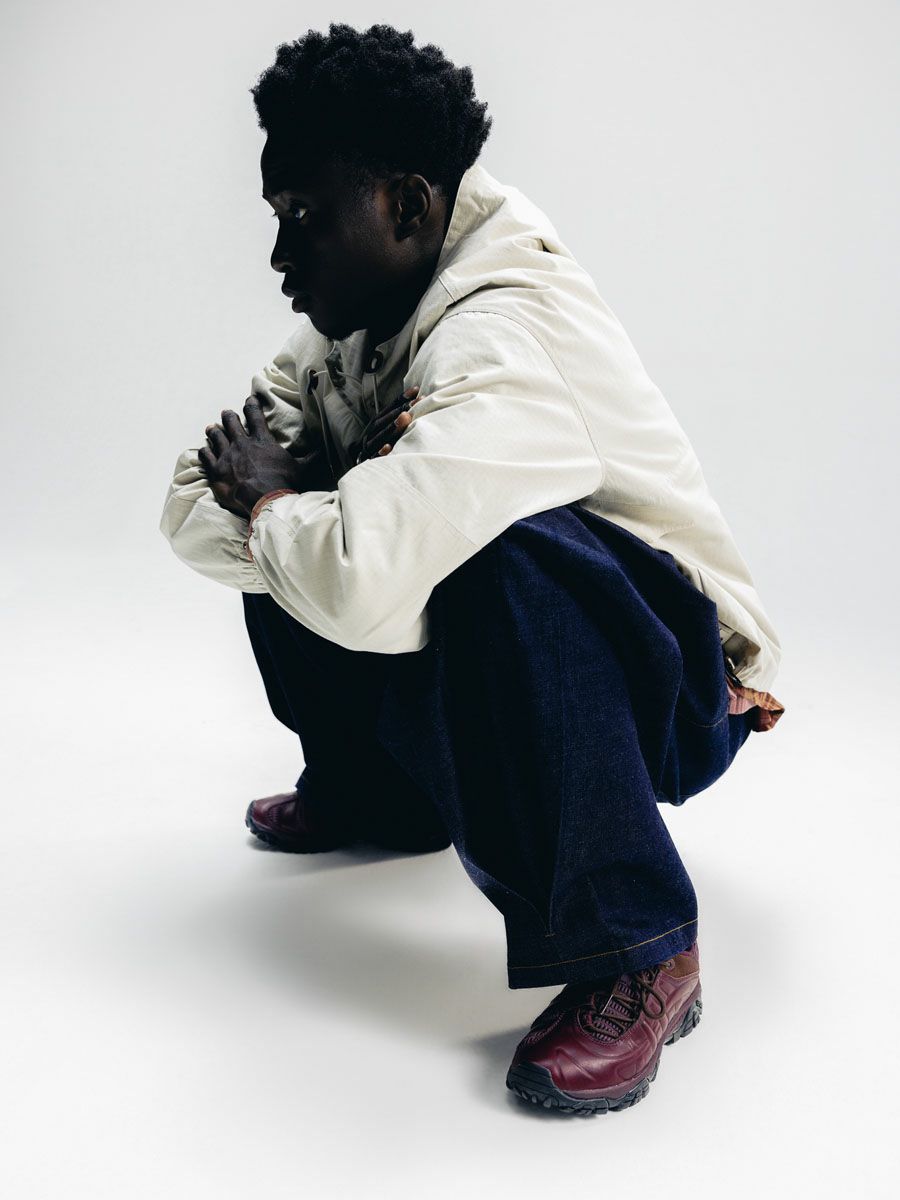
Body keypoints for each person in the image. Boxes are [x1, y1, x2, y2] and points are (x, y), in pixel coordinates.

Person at [159, 22, 785, 1116]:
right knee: (311, 533)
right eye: (275, 215)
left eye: (305, 216)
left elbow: (345, 567)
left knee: (479, 555)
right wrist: (313, 521)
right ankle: (382, 797)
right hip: (543, 655)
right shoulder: (352, 324)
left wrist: (292, 510)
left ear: (406, 205)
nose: (279, 255)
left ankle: (641, 948)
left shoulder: (504, 335)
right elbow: (186, 507)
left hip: (677, 685)